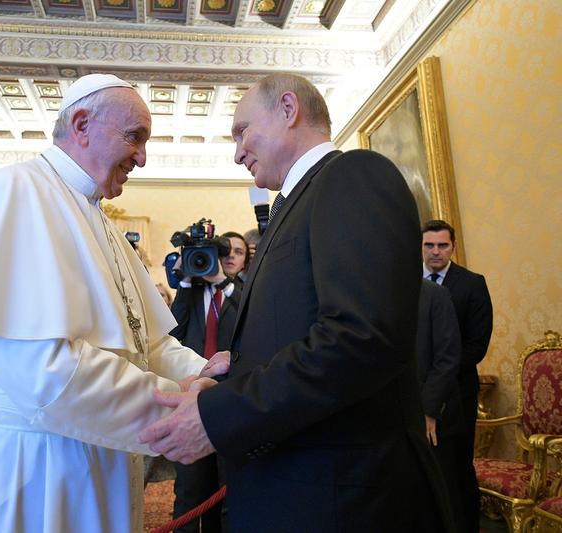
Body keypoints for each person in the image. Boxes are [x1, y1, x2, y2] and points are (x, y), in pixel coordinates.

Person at [0, 74, 226, 533]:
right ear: (81, 124)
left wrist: (201, 373)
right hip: (20, 470)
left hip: (84, 454)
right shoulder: (16, 193)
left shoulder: (102, 222)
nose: (143, 157)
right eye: (135, 138)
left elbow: (141, 340)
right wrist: (186, 410)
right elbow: (44, 372)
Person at [140, 73, 452, 531]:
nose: (237, 150)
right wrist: (235, 371)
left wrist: (223, 415)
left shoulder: (352, 175)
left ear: (289, 109)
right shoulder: (292, 206)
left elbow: (360, 339)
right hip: (296, 491)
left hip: (343, 502)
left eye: (242, 130)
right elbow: (306, 328)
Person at [168, 231, 248, 532]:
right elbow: (172, 333)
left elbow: (248, 323)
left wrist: (221, 282)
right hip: (193, 398)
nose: (230, 257)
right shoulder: (191, 292)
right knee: (189, 492)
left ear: (246, 260)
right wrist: (186, 281)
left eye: (238, 252)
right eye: (224, 251)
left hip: (231, 400)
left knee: (226, 492)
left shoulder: (243, 291)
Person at [422, 218, 493, 532]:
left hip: (459, 395)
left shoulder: (471, 283)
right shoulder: (408, 286)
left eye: (442, 245)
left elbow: (477, 345)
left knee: (458, 470)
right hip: (418, 394)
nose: (436, 252)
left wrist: (442, 369)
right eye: (429, 245)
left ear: (453, 246)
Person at [416, 278, 465, 531]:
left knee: (444, 497)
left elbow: (448, 357)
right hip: (399, 419)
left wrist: (428, 410)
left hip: (434, 418)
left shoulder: (436, 295)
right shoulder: (380, 293)